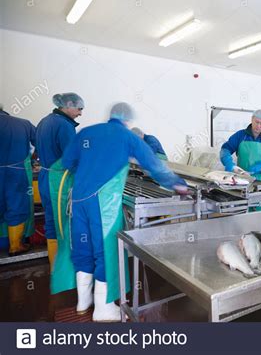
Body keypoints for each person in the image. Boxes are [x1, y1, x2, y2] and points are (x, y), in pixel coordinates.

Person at [61, 102, 188, 322]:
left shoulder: (86, 132)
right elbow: (155, 166)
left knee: (83, 248)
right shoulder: (127, 137)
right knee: (105, 251)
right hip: (103, 203)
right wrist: (178, 184)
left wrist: (89, 174)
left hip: (79, 198)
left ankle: (83, 303)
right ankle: (103, 308)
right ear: (128, 121)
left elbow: (68, 161)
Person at [35, 93, 85, 270]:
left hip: (45, 177)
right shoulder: (64, 125)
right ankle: (63, 269)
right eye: (79, 109)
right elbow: (72, 158)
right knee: (63, 223)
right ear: (68, 106)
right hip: (60, 181)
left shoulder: (44, 121)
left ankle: (55, 266)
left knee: (51, 220)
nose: (80, 113)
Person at [0, 105, 36, 256]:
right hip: (16, 172)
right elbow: (40, 142)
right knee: (17, 206)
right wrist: (33, 159)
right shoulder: (23, 123)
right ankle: (15, 246)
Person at [220, 109, 261, 182]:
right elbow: (225, 149)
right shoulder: (240, 135)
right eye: (257, 122)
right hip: (242, 179)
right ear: (252, 119)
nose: (258, 126)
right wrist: (229, 163)